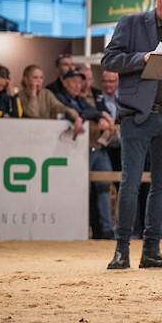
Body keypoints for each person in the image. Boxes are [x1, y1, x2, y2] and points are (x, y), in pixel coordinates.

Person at [101, 0, 162, 270]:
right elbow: (110, 59)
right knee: (130, 183)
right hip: (136, 114)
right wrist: (143, 58)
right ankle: (121, 249)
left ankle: (151, 248)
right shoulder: (131, 22)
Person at [57, 68, 117, 240]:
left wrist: (98, 115)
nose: (78, 85)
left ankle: (106, 229)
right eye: (74, 82)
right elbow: (83, 112)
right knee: (80, 189)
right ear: (65, 83)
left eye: (80, 81)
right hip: (78, 150)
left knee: (104, 186)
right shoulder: (61, 97)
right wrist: (94, 115)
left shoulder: (81, 99)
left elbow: (91, 111)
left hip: (97, 147)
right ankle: (78, 227)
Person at [18, 64, 83, 133]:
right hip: (28, 132)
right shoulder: (19, 96)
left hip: (46, 131)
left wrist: (74, 115)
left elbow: (58, 106)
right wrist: (33, 96)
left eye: (41, 78)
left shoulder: (47, 93)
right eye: (35, 77)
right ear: (25, 79)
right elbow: (33, 115)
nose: (39, 81)